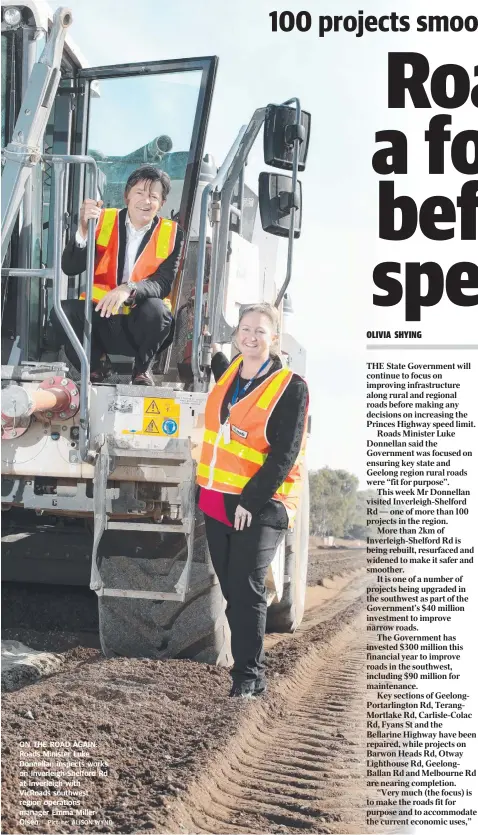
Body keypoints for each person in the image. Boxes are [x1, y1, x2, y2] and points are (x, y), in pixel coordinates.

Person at [196, 303, 309, 697]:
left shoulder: (290, 387)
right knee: (231, 590)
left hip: (261, 505)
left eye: (260, 331)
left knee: (246, 589)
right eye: (245, 329)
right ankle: (246, 673)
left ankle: (249, 679)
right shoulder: (230, 373)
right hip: (216, 501)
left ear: (274, 338)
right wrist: (211, 353)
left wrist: (250, 501)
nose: (251, 336)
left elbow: (285, 453)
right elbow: (226, 384)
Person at [50, 165, 183, 386]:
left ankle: (142, 370)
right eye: (139, 193)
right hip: (100, 317)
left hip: (139, 324)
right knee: (61, 312)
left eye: (153, 196)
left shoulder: (173, 234)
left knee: (158, 311)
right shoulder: (102, 220)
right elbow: (70, 267)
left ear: (162, 203)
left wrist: (128, 289)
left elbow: (163, 283)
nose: (146, 201)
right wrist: (83, 229)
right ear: (127, 196)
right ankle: (96, 366)